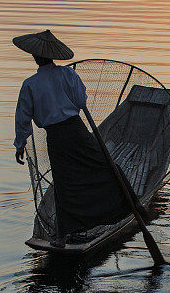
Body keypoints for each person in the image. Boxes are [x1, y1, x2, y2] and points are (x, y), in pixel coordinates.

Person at [13, 29, 131, 246]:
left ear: (35, 57)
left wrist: (20, 145)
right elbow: (81, 101)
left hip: (57, 137)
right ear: (51, 56)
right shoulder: (68, 75)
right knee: (104, 166)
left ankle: (62, 236)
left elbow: (23, 119)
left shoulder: (30, 84)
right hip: (76, 131)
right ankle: (128, 205)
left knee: (64, 183)